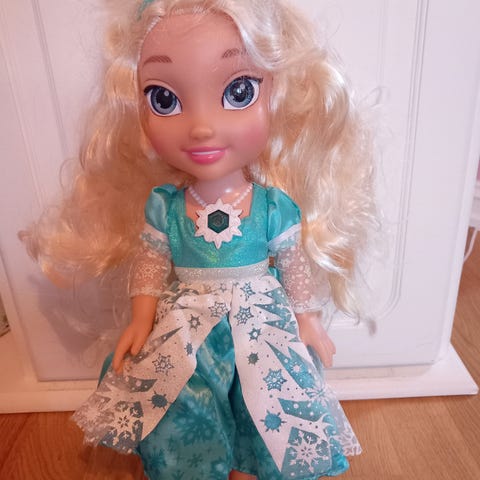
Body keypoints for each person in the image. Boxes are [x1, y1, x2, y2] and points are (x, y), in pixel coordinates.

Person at [22, 0, 376, 478]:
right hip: (189, 326)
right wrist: (141, 319)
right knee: (184, 395)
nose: (202, 127)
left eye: (238, 91)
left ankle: (248, 466)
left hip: (261, 322)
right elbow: (151, 262)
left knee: (263, 397)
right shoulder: (166, 207)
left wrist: (308, 320)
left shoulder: (272, 207)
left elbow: (291, 262)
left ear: (276, 95)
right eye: (164, 99)